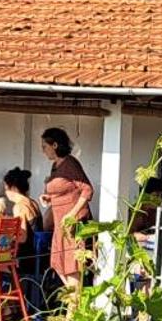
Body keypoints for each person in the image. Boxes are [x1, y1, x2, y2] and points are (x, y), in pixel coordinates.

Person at [40, 128, 94, 302]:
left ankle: (74, 310)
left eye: (44, 146)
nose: (43, 150)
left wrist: (72, 213)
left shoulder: (70, 163)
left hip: (72, 222)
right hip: (59, 222)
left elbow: (87, 190)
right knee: (58, 263)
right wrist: (48, 197)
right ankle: (75, 303)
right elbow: (63, 189)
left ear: (55, 145)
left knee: (72, 265)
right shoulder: (55, 165)